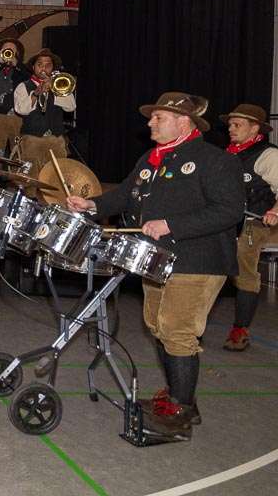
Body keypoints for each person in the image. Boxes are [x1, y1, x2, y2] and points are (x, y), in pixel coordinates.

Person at [66, 92, 242, 442]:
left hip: (197, 260)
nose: (150, 122)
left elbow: (229, 211)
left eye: (158, 117)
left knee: (177, 331)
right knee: (159, 327)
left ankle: (179, 415)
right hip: (157, 259)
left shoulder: (215, 160)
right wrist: (91, 205)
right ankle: (180, 399)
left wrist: (170, 225)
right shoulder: (151, 158)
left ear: (183, 122)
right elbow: (124, 195)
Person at [219, 103, 278, 352]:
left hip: (253, 222)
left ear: (255, 129)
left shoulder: (268, 155)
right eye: (230, 125)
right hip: (224, 220)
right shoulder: (228, 154)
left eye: (237, 125)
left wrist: (275, 211)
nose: (230, 129)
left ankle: (240, 329)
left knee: (243, 268)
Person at [14, 49, 75, 196]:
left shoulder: (60, 85)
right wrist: (37, 92)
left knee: (58, 178)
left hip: (56, 138)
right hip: (32, 138)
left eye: (48, 65)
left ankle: (54, 204)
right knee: (29, 179)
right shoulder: (23, 86)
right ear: (33, 67)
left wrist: (54, 89)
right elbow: (21, 109)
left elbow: (71, 106)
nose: (43, 69)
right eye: (40, 65)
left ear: (52, 68)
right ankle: (30, 203)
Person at [0, 38, 29, 157]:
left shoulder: (23, 69)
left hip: (19, 117)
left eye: (12, 49)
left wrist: (16, 65)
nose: (8, 51)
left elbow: (30, 81)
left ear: (17, 53)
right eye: (5, 49)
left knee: (19, 155)